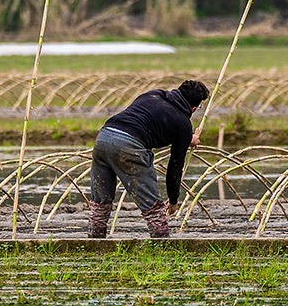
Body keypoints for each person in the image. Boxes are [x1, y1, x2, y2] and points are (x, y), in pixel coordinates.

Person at [88, 79, 210, 238]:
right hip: (130, 146)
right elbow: (174, 168)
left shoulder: (154, 94)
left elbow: (148, 119)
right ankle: (162, 245)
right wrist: (173, 201)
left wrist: (187, 138)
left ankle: (94, 241)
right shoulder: (183, 124)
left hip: (104, 138)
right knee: (153, 208)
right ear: (194, 107)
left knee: (100, 202)